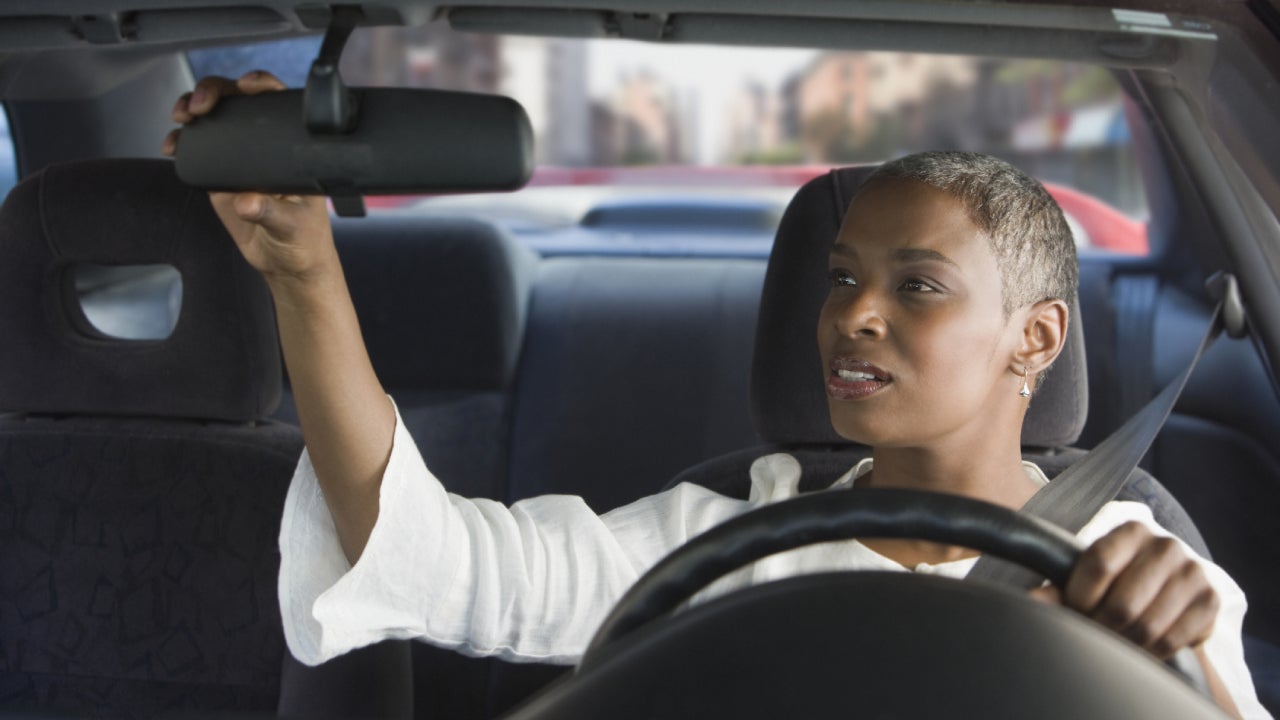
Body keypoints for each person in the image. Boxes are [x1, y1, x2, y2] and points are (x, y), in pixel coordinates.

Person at [164, 71, 1268, 718]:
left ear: (1033, 338)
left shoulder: (1135, 563)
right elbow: (435, 561)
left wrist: (1163, 652)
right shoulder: (718, 543)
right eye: (840, 280)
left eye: (915, 287)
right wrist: (303, 271)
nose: (851, 316)